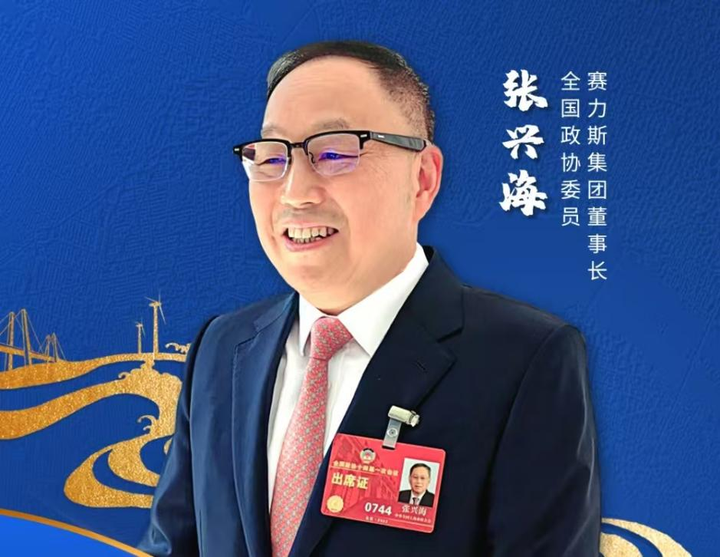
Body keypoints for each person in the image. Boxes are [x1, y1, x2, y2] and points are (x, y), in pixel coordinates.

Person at [138, 40, 601, 557]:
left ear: (422, 179)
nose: (295, 192)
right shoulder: (222, 348)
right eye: (272, 156)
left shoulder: (524, 360)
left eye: (334, 153)